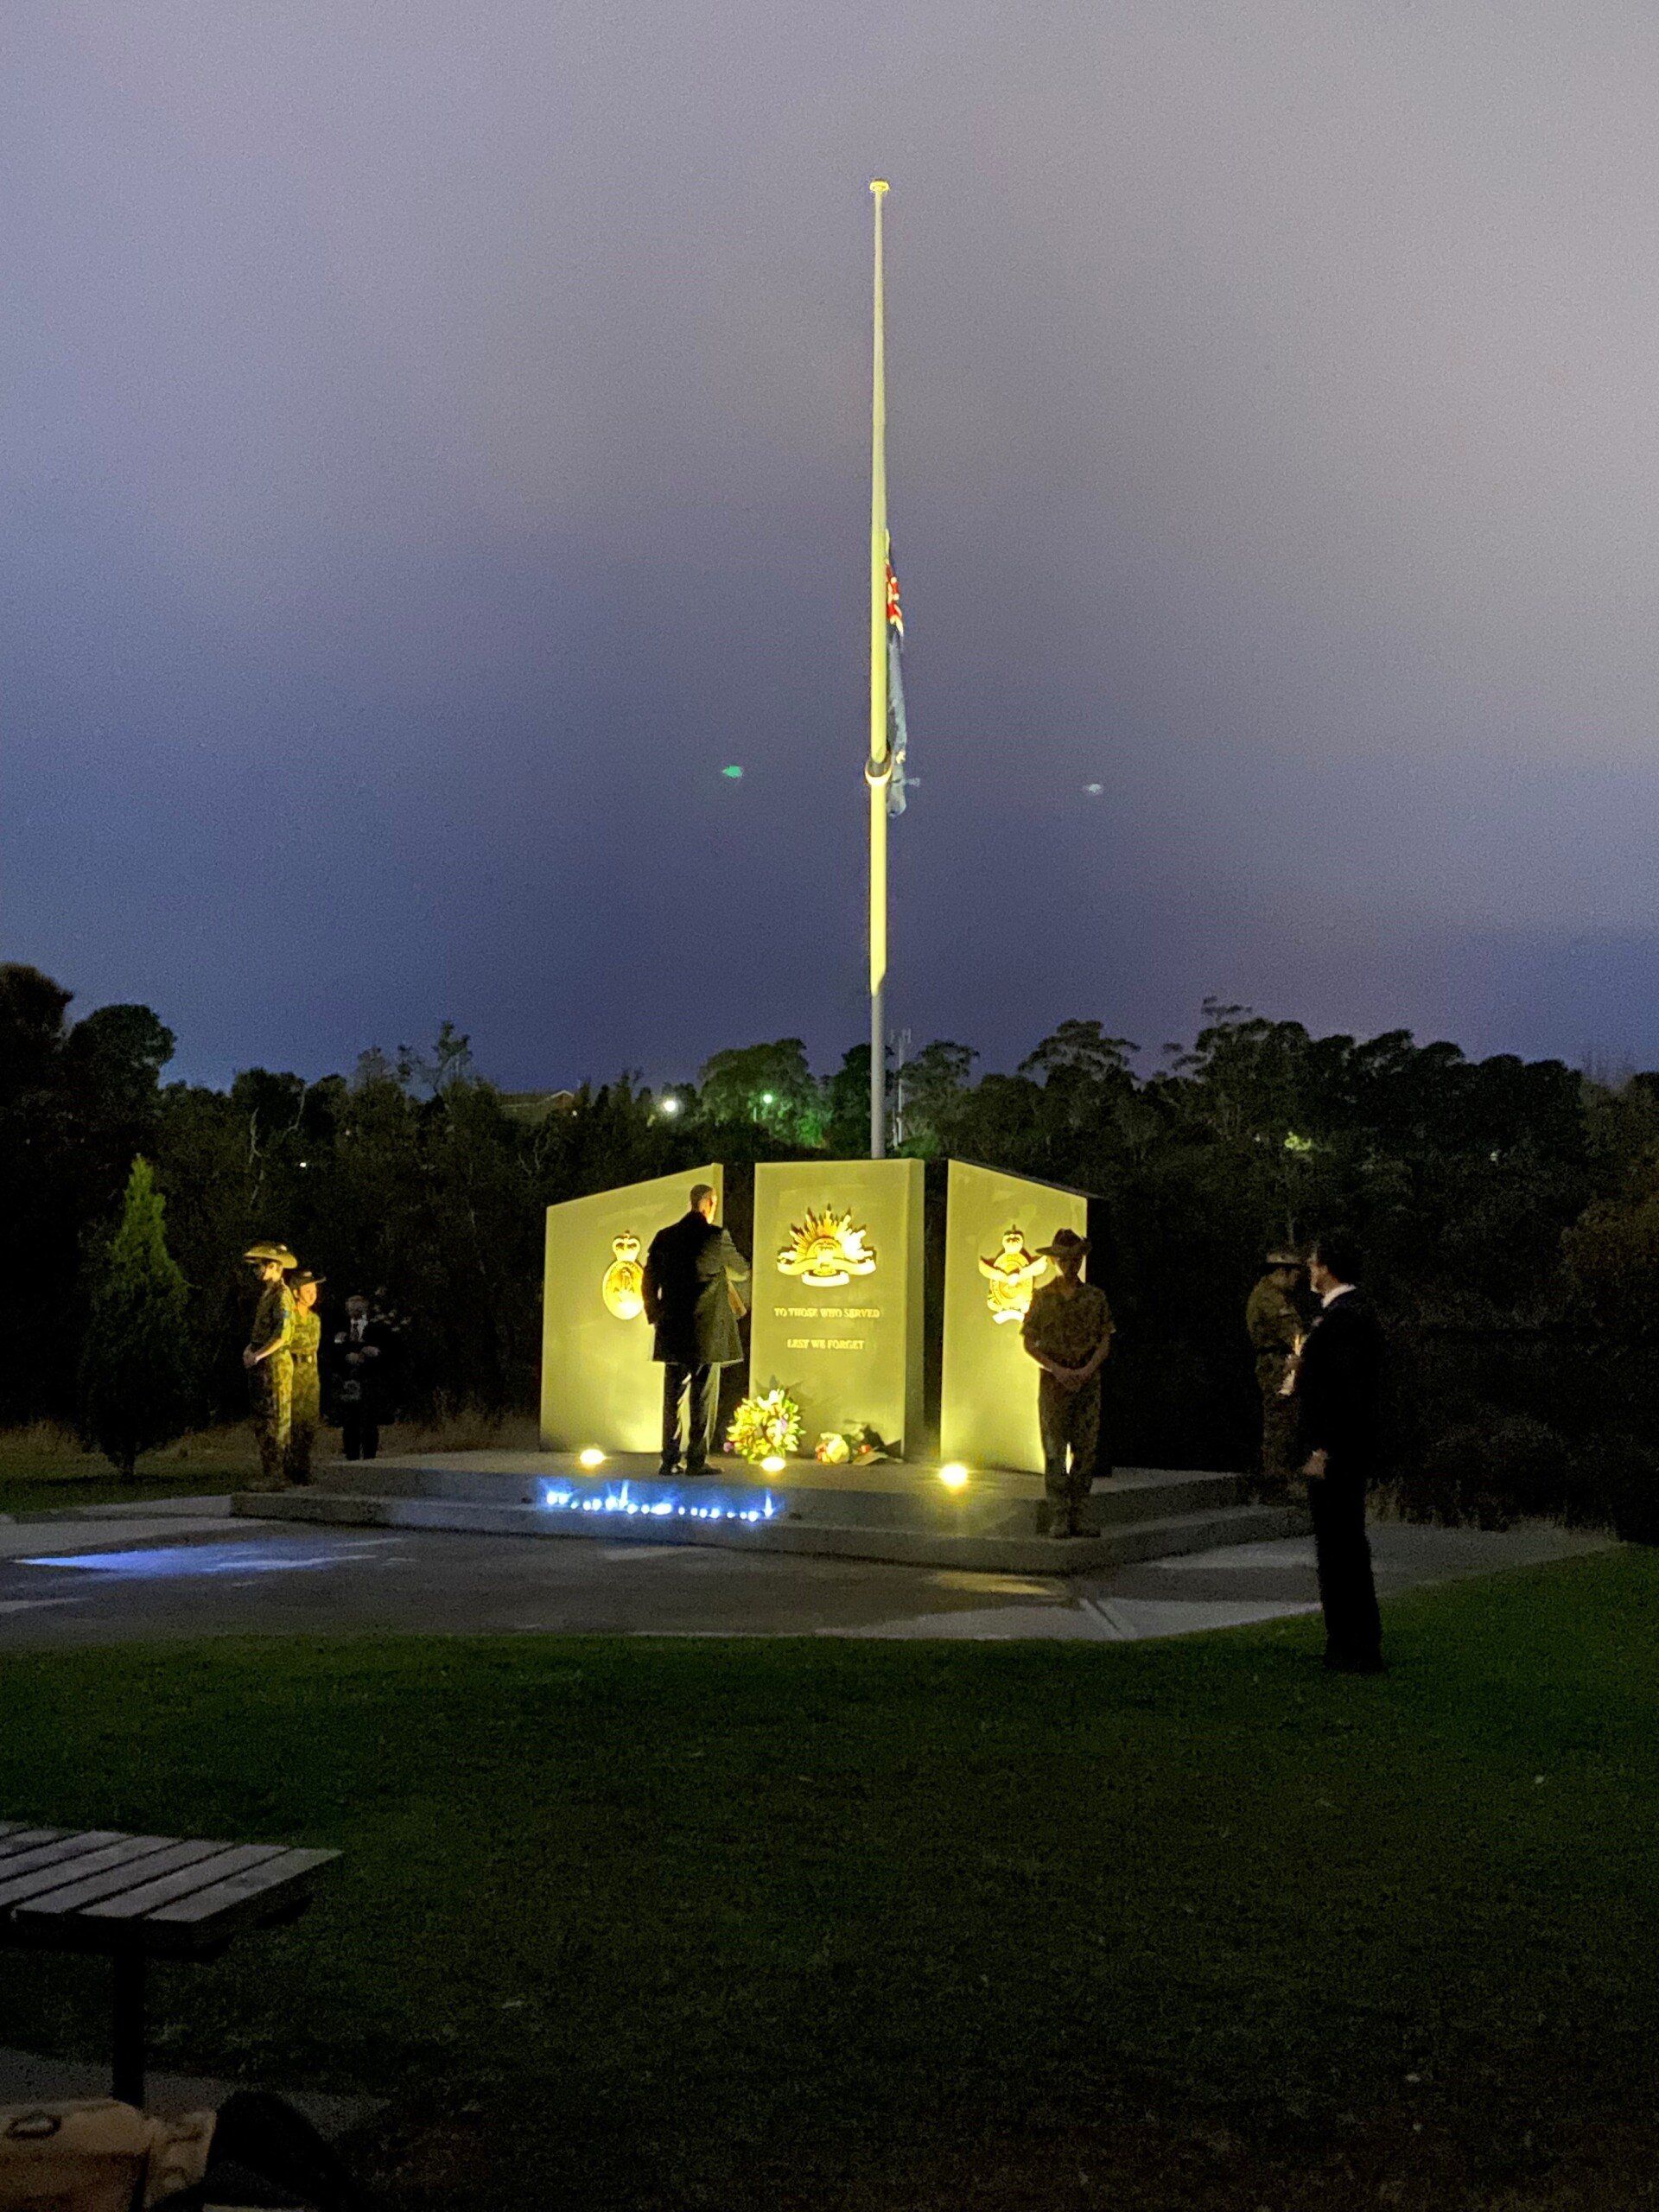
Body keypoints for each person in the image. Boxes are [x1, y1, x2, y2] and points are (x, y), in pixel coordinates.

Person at [1290, 1229, 1386, 1673]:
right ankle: (1352, 1640)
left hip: (1337, 1451)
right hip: (1342, 1446)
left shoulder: (1344, 1319)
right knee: (1342, 1544)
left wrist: (1323, 1447)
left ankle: (1352, 1645)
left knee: (1339, 1546)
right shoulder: (1348, 1316)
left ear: (1326, 1268)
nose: (1309, 1270)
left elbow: (1345, 1392)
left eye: (1312, 1263)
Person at [642, 1183, 751, 1478]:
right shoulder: (716, 1237)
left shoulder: (665, 1237)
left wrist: (655, 1314)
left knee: (672, 1398)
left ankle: (669, 1460)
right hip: (707, 1332)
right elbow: (741, 1269)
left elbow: (648, 1280)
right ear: (709, 1204)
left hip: (672, 1330)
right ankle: (697, 1460)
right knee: (702, 1399)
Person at [1020, 1226, 1115, 1538]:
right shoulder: (1042, 1297)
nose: (1069, 1265)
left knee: (1086, 1449)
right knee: (1054, 1449)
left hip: (1086, 1380)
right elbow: (1029, 1342)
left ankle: (1080, 1512)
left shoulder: (1095, 1297)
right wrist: (1056, 1369)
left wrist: (1087, 1369)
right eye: (1064, 1259)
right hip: (1054, 1382)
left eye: (1075, 1259)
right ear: (1055, 1262)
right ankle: (1059, 1515)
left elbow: (1105, 1340)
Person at [1245, 1246, 1307, 1501]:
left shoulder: (1273, 1295)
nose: (1297, 1280)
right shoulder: (1270, 1298)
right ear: (1282, 1271)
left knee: (1286, 1421)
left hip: (1280, 1362)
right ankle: (1276, 1484)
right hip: (1276, 1365)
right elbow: (1293, 1335)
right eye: (1295, 1274)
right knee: (1280, 1422)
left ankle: (1280, 1481)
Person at [242, 1243, 296, 1486]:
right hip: (263, 1364)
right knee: (263, 1420)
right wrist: (251, 1349)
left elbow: (283, 1333)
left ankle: (278, 1475)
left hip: (275, 1365)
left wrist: (260, 1354)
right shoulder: (267, 1295)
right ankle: (269, 1473)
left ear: (274, 1267)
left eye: (260, 1267)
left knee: (276, 1419)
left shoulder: (282, 1295)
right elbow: (262, 1331)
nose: (257, 1272)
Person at [331, 1292, 387, 1462]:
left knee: (369, 1420)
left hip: (369, 1379)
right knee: (350, 1421)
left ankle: (370, 1456)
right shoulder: (340, 1330)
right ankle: (351, 1455)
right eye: (351, 1309)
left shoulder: (376, 1329)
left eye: (359, 1309)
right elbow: (332, 1352)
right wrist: (345, 1356)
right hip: (348, 1380)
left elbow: (387, 1351)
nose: (354, 1312)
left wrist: (373, 1352)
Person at [284, 1268, 325, 1484]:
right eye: (307, 1290)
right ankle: (289, 1469)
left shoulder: (314, 1320)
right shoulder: (288, 1317)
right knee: (292, 1424)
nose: (312, 1294)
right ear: (296, 1292)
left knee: (309, 1424)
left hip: (310, 1376)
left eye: (314, 1290)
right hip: (292, 1373)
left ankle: (304, 1468)